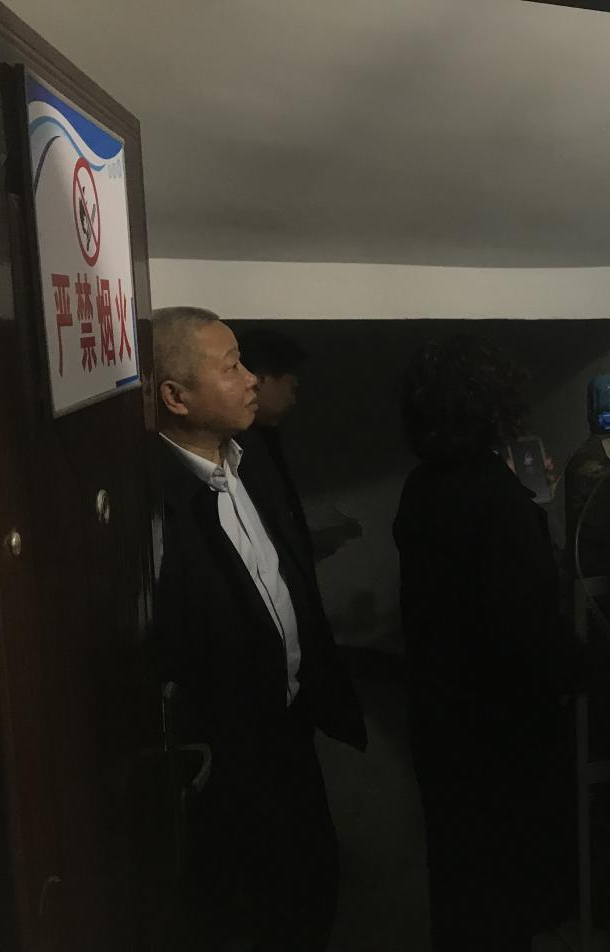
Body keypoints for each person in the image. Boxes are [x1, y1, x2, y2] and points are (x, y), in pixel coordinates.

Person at [152, 306, 366, 951]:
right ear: (176, 397)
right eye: (231, 367)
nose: (251, 379)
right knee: (250, 906)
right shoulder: (156, 505)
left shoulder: (251, 459)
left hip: (289, 722)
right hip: (230, 754)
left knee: (313, 881)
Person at [393, 335, 587, 952]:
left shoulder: (422, 484)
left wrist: (520, 499)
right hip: (497, 725)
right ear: (489, 404)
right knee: (503, 882)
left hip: (439, 711)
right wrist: (586, 670)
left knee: (458, 872)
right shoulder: (496, 499)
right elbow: (524, 625)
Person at [234, 327, 310, 543]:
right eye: (292, 388)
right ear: (261, 379)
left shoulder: (264, 437)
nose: (293, 400)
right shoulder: (240, 446)